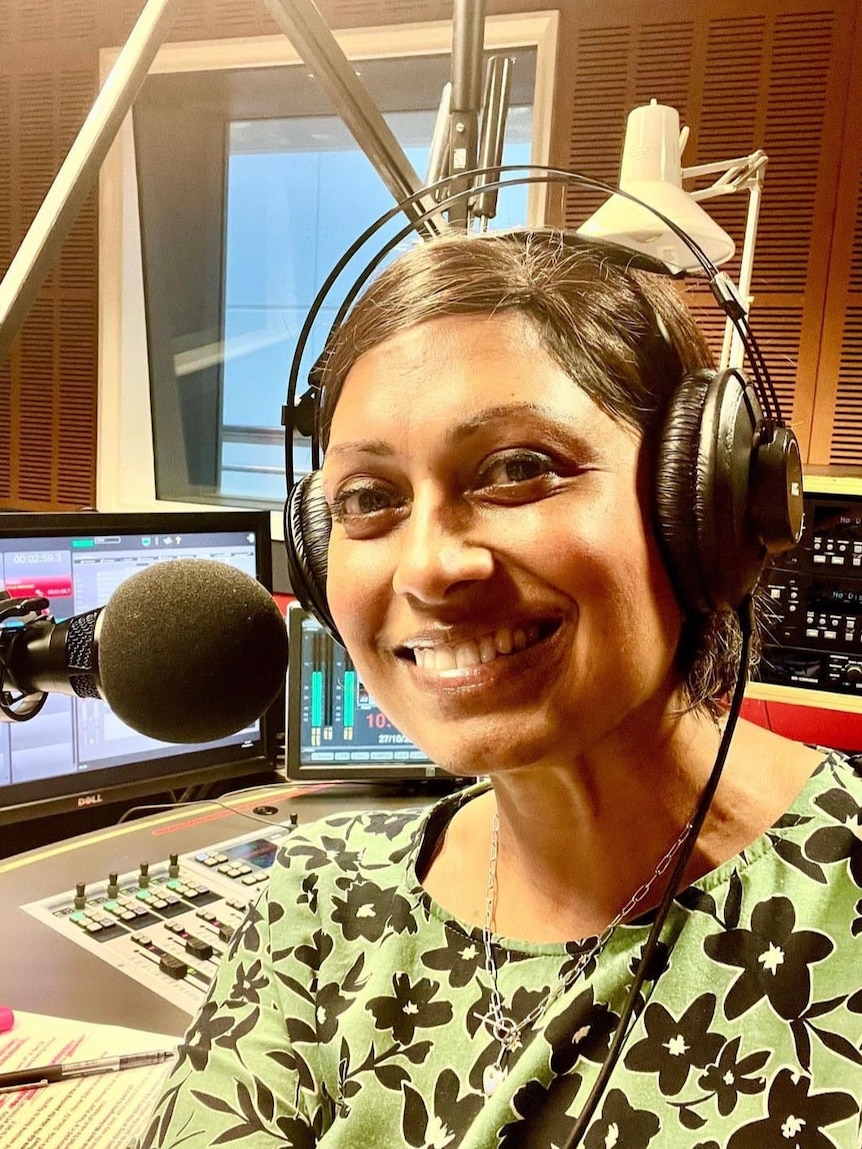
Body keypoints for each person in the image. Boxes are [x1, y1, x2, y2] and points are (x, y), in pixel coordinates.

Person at [139, 229, 861, 1149]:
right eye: (368, 498)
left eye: (519, 470)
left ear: (707, 505)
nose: (432, 567)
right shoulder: (319, 902)